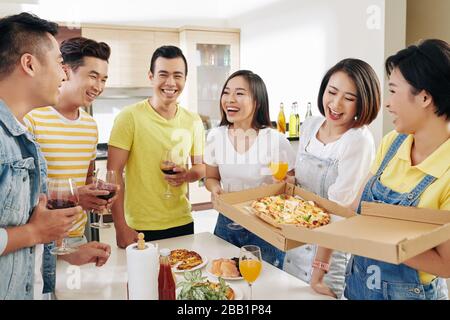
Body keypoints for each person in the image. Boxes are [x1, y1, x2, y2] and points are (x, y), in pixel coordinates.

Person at [0, 13, 110, 300]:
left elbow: (32, 227)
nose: (63, 74)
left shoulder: (19, 137)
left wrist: (67, 251)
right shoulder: (19, 130)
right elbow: (32, 229)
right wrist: (35, 233)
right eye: (59, 63)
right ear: (30, 64)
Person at [343, 39, 450, 300]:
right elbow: (356, 208)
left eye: (393, 91)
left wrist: (383, 240)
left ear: (425, 97)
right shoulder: (393, 143)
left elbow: (446, 264)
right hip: (357, 286)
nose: (387, 104)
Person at [282, 59, 381, 298]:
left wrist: (318, 274)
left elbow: (339, 212)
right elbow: (300, 177)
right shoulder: (310, 125)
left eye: (348, 98)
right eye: (332, 92)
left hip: (328, 255)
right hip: (295, 239)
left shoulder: (357, 141)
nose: (335, 104)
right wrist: (290, 182)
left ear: (363, 103)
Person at [108, 45, 205, 247]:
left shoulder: (193, 120)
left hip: (183, 221)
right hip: (140, 226)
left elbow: (201, 167)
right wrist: (120, 226)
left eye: (178, 75)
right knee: (143, 280)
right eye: (163, 74)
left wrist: (187, 175)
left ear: (185, 80)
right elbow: (113, 172)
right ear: (151, 77)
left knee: (184, 279)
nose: (171, 83)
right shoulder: (129, 117)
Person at [24, 37, 114, 247]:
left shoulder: (90, 125)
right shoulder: (32, 118)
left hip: (76, 238)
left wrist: (96, 194)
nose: (99, 87)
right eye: (93, 76)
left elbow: (87, 179)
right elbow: (22, 192)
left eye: (104, 79)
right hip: (40, 242)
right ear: (65, 71)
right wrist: (76, 196)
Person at [204, 70, 296, 268]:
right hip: (227, 221)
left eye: (239, 93)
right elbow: (210, 177)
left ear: (257, 101)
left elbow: (292, 185)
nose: (229, 99)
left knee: (265, 283)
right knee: (225, 280)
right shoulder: (215, 137)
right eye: (226, 92)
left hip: (266, 225)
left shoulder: (275, 140)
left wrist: (283, 185)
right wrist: (214, 188)